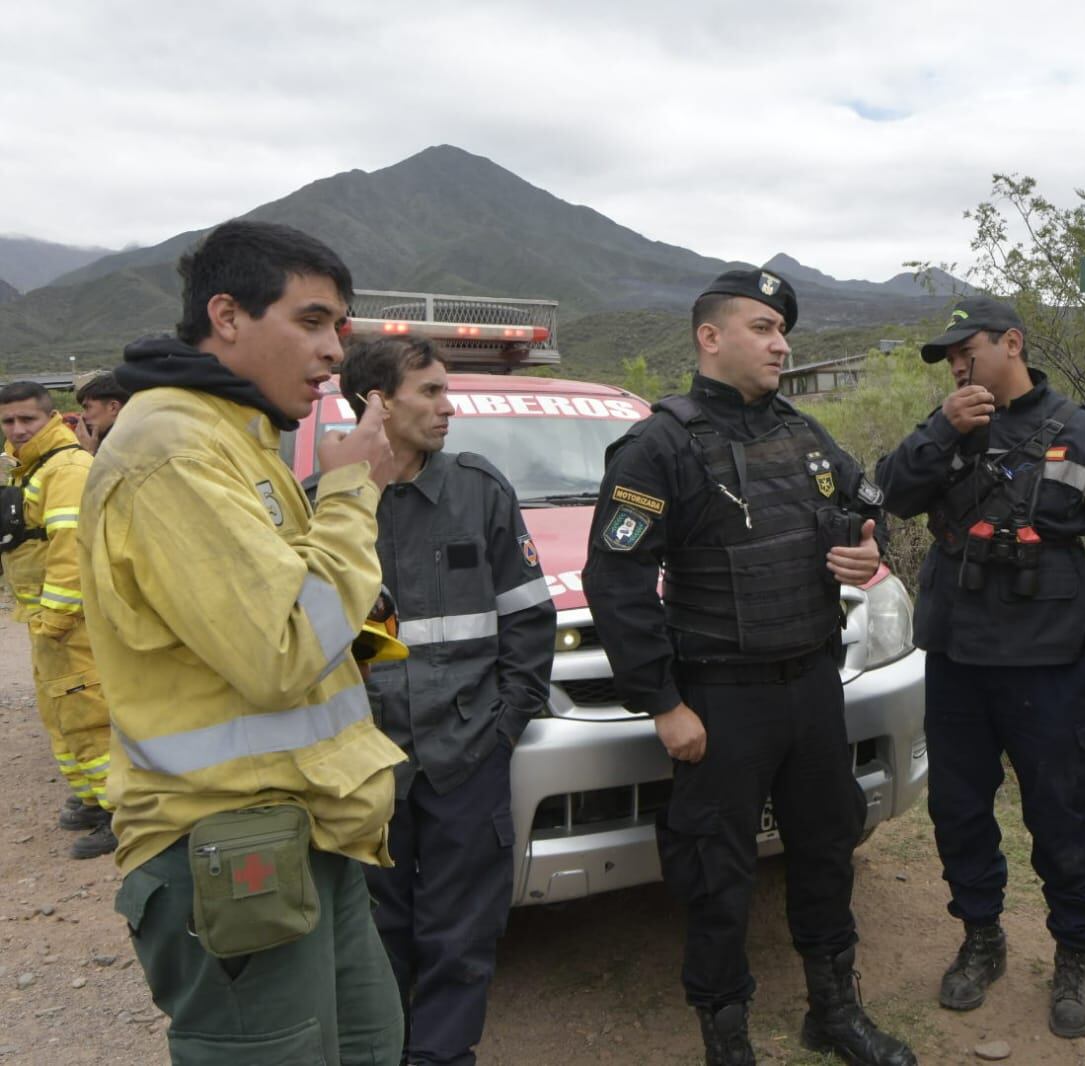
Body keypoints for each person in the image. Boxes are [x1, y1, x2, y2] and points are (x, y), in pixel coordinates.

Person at [80, 219, 408, 1065]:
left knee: (370, 1042)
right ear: (225, 315)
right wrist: (350, 491)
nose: (335, 350)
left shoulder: (237, 435)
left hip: (307, 824)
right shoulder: (173, 450)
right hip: (226, 838)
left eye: (339, 326)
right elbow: (283, 653)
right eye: (310, 321)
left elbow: (313, 619)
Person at [583, 268, 916, 1066]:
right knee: (717, 872)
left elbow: (865, 504)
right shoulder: (658, 444)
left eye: (782, 330)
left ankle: (833, 1012)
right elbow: (616, 580)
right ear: (710, 337)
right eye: (762, 328)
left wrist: (865, 545)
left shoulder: (803, 435)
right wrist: (662, 701)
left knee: (826, 849)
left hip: (809, 687)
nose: (780, 343)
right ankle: (725, 1035)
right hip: (720, 698)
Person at [874, 295, 1085, 1039]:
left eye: (967, 349)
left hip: (1049, 666)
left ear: (1012, 344)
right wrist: (940, 428)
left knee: (1058, 812)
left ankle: (1075, 953)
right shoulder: (948, 431)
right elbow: (887, 498)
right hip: (958, 661)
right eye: (949, 358)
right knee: (958, 811)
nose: (957, 364)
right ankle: (981, 937)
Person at [334, 335, 555, 1066]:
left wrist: (505, 727)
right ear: (377, 402)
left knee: (463, 933)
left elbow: (528, 618)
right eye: (428, 392)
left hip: (467, 758)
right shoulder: (325, 504)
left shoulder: (479, 490)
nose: (446, 407)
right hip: (366, 767)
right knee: (375, 929)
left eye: (444, 390)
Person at [0, 380, 114, 858]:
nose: (18, 429)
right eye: (8, 421)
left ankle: (121, 812)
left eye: (27, 419)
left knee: (89, 714)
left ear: (50, 417)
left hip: (69, 620)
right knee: (58, 713)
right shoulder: (20, 468)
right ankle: (91, 798)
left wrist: (57, 617)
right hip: (41, 615)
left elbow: (70, 550)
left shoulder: (66, 468)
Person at [72, 370, 130, 453]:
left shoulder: (129, 448)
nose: (83, 416)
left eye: (87, 407)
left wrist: (90, 452)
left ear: (113, 407)